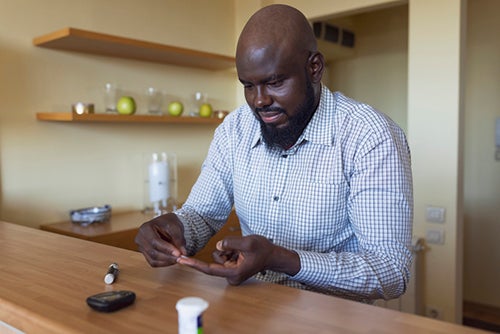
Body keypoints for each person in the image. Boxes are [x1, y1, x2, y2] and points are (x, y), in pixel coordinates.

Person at [135, 4, 413, 303]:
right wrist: (172, 229)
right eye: (248, 86)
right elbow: (200, 215)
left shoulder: (369, 136)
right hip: (250, 311)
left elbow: (391, 271)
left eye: (275, 82)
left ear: (314, 68)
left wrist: (281, 259)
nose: (260, 101)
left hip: (333, 321)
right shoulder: (235, 130)